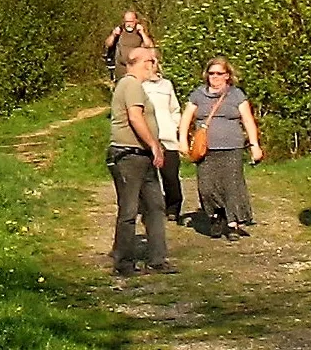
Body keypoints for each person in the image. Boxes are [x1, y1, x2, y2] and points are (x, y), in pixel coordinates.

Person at [107, 45, 175, 277]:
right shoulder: (131, 84)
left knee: (156, 206)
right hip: (129, 156)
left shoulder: (135, 86)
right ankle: (124, 262)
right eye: (152, 61)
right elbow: (135, 118)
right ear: (142, 62)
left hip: (143, 156)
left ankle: (158, 258)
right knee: (129, 209)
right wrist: (154, 144)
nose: (154, 66)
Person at [178, 56, 263, 240]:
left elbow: (248, 120)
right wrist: (182, 140)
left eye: (219, 73)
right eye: (211, 73)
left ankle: (232, 224)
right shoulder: (198, 95)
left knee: (231, 186)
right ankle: (217, 215)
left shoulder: (236, 95)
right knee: (207, 187)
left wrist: (254, 145)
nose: (214, 77)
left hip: (232, 147)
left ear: (227, 76)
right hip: (205, 149)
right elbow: (186, 118)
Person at [140, 52, 186, 225]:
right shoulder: (139, 85)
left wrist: (174, 126)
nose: (150, 65)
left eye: (153, 62)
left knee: (170, 176)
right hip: (147, 136)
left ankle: (173, 207)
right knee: (148, 177)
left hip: (167, 137)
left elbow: (175, 109)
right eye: (147, 62)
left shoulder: (166, 85)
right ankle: (151, 208)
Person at [104, 9, 154, 82]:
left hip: (136, 69)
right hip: (121, 69)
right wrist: (113, 35)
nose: (128, 24)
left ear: (136, 21)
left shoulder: (139, 31)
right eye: (126, 21)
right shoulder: (120, 30)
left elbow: (149, 45)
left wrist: (142, 33)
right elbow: (108, 44)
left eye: (131, 21)